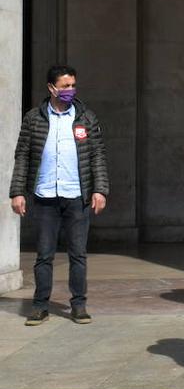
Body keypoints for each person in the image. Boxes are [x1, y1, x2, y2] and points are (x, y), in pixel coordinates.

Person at [9, 64, 109, 327]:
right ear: (51, 88)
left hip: (77, 196)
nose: (70, 90)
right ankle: (40, 306)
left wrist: (100, 189)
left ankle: (79, 305)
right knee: (44, 255)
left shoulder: (86, 117)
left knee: (78, 254)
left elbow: (97, 155)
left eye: (72, 85)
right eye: (64, 86)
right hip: (45, 196)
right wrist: (17, 192)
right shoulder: (34, 118)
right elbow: (22, 156)